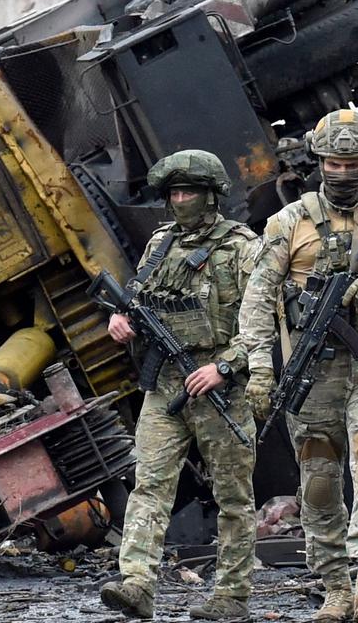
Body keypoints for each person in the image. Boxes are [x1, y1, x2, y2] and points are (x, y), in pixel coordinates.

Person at [235, 109, 358, 623]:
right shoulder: (288, 223)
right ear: (317, 161)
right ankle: (334, 587)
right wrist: (260, 368)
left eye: (353, 162)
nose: (343, 172)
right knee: (320, 484)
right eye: (333, 162)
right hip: (313, 372)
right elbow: (257, 301)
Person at [99, 150, 260, 620]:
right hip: (166, 383)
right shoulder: (160, 244)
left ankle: (231, 596)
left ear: (212, 196)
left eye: (190, 191)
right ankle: (137, 584)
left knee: (233, 496)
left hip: (220, 387)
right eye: (174, 193)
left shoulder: (243, 248)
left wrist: (226, 367)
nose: (181, 200)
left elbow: (267, 324)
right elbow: (137, 299)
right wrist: (121, 319)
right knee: (149, 484)